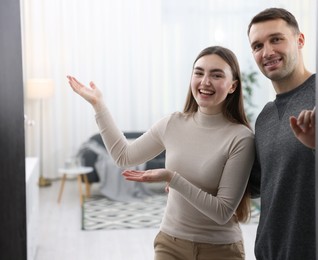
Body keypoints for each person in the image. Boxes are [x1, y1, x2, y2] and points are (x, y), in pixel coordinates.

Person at [67, 45, 255, 260]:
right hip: (170, 244)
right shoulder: (173, 123)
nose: (205, 82)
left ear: (233, 86)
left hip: (220, 249)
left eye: (216, 75)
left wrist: (171, 178)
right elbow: (124, 156)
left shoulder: (240, 137)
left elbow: (222, 212)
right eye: (199, 72)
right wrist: (99, 106)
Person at [246, 8, 316, 260]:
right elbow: (254, 186)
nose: (267, 52)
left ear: (299, 41)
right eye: (257, 45)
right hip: (269, 253)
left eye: (276, 39)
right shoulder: (264, 117)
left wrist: (317, 146)